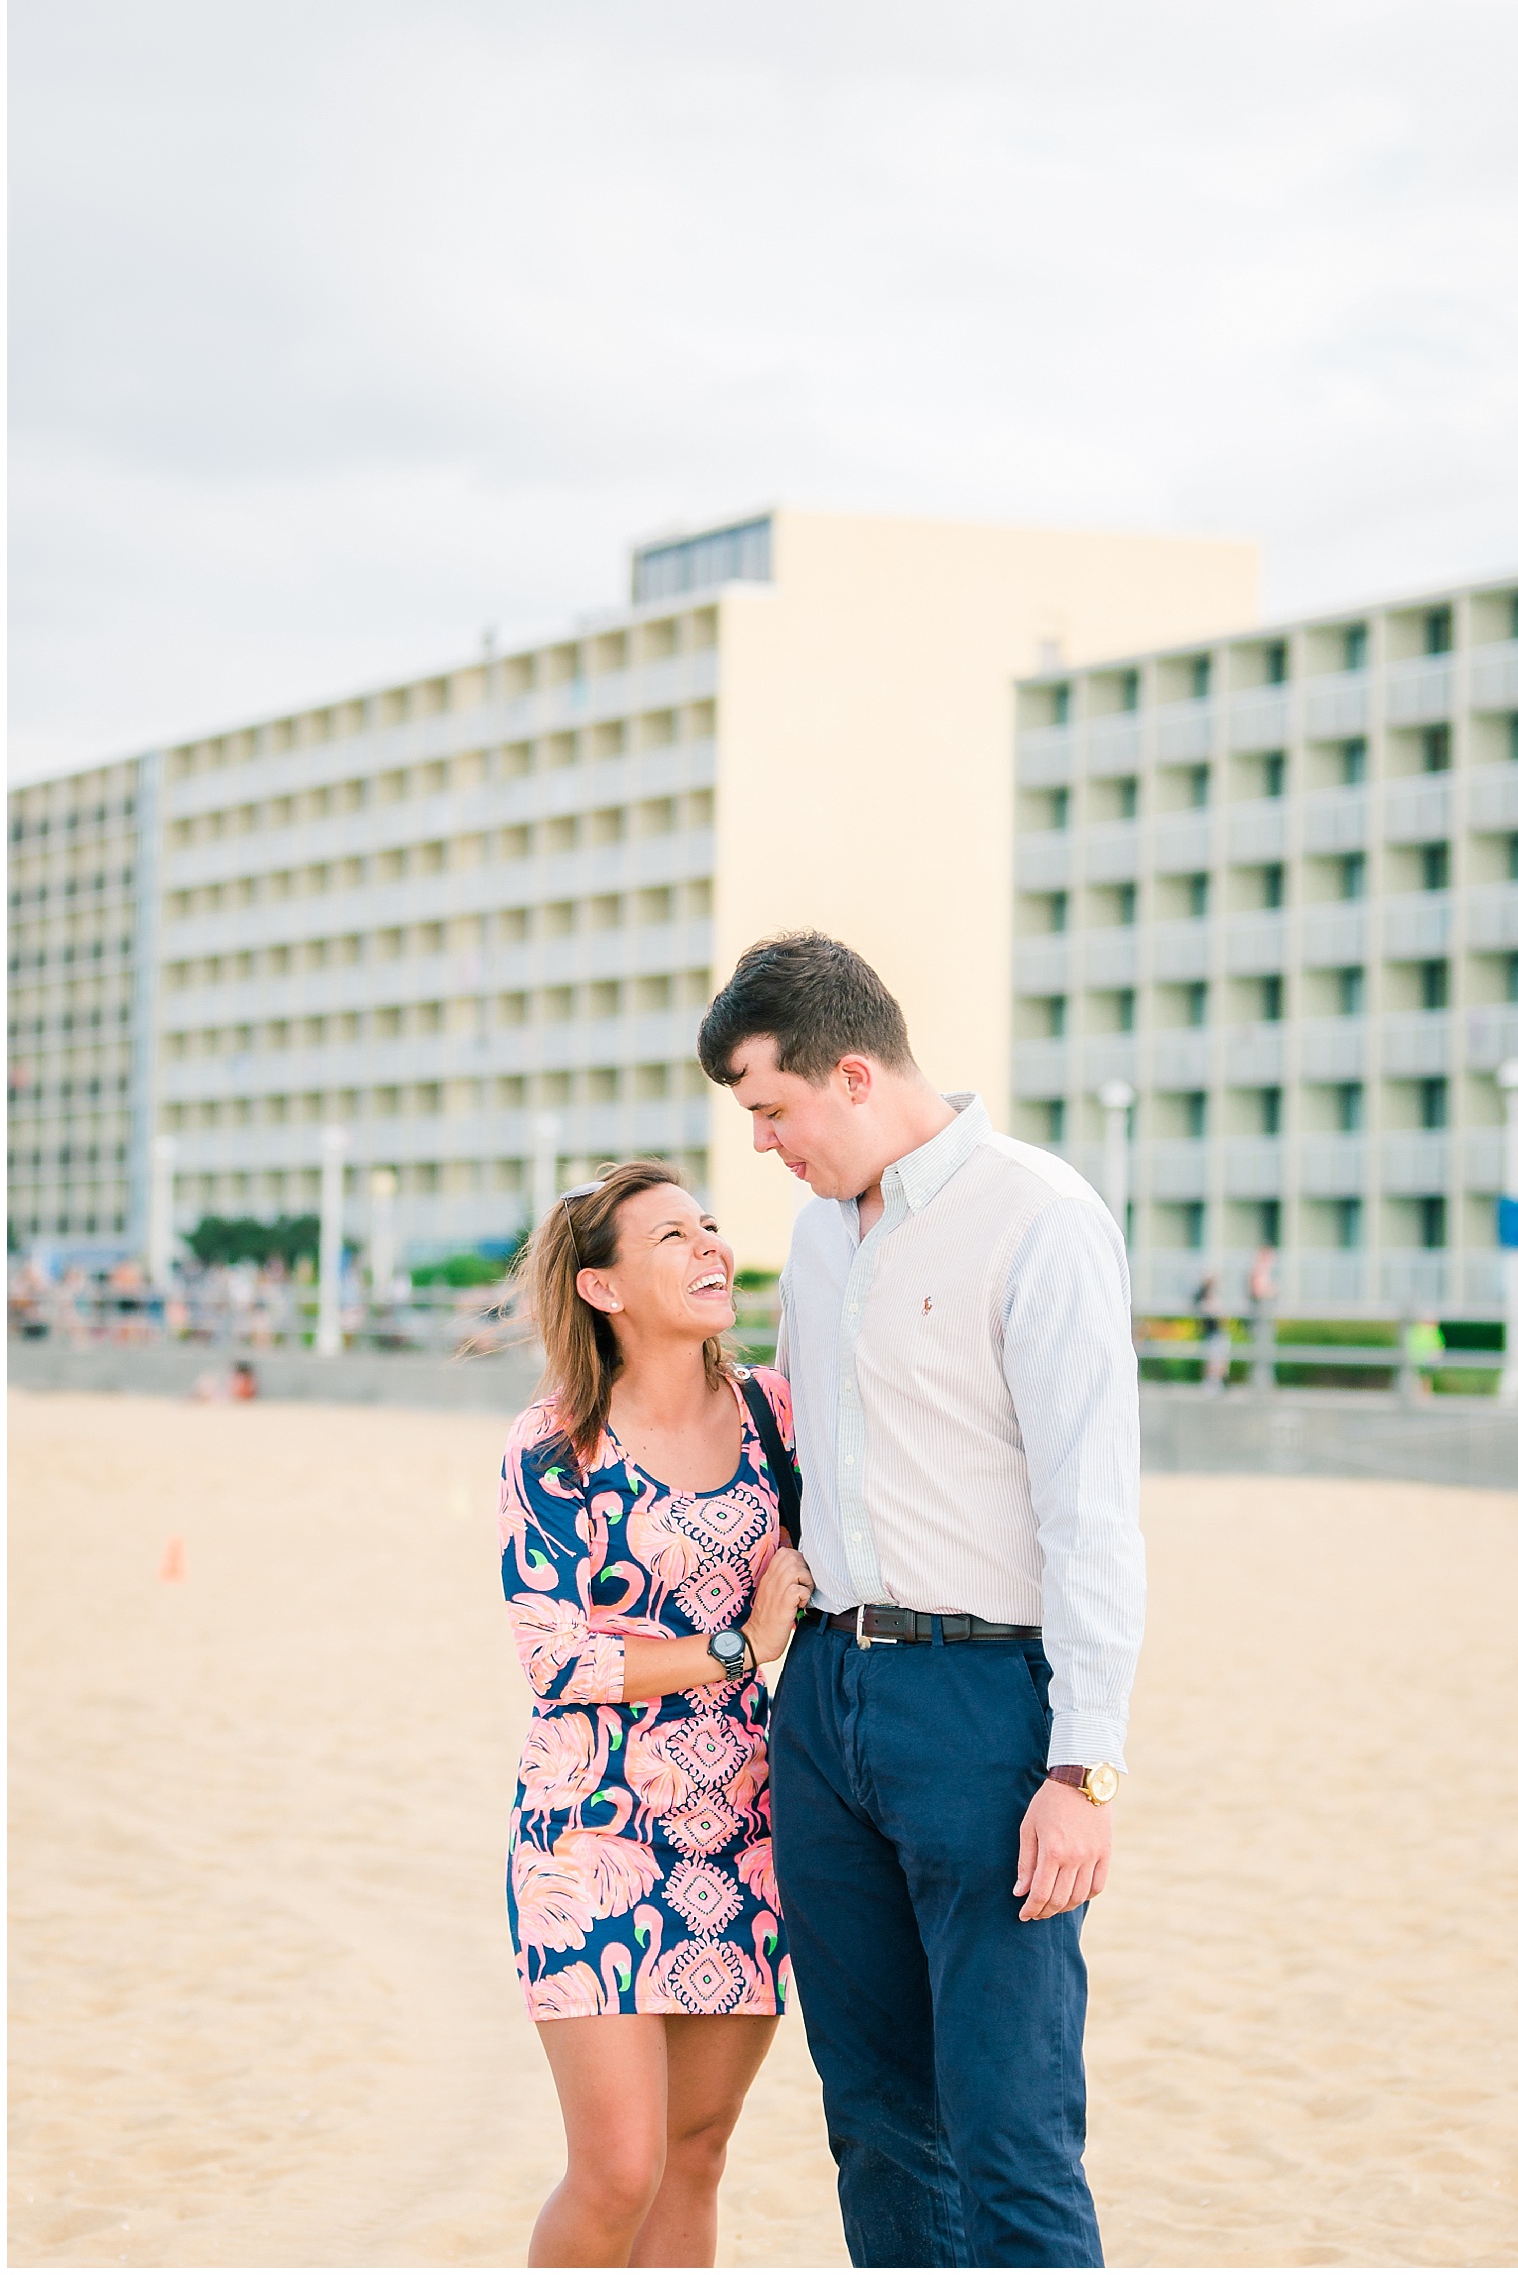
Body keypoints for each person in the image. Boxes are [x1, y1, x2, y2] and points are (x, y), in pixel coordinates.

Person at [697, 934, 1145, 2271]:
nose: (766, 1146)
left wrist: (1086, 1766)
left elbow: (1094, 1514)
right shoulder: (820, 1241)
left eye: (773, 1111)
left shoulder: (1039, 1217)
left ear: (851, 1072)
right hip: (826, 1703)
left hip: (987, 1711)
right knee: (878, 2118)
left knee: (1012, 2127)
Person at [500, 1159, 814, 2269]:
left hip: (747, 1827)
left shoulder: (776, 1409)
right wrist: (737, 1644)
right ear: (602, 1287)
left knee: (696, 2150)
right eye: (672, 1235)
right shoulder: (555, 1443)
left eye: (711, 1225)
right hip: (590, 1829)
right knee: (618, 2166)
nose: (710, 1247)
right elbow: (554, 1657)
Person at [1194, 1273, 1230, 1394]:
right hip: (1212, 1333)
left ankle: (1218, 1383)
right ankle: (1212, 1384)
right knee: (1213, 1359)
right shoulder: (1203, 1298)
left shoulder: (1212, 1297)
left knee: (1219, 1359)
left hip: (1216, 1333)